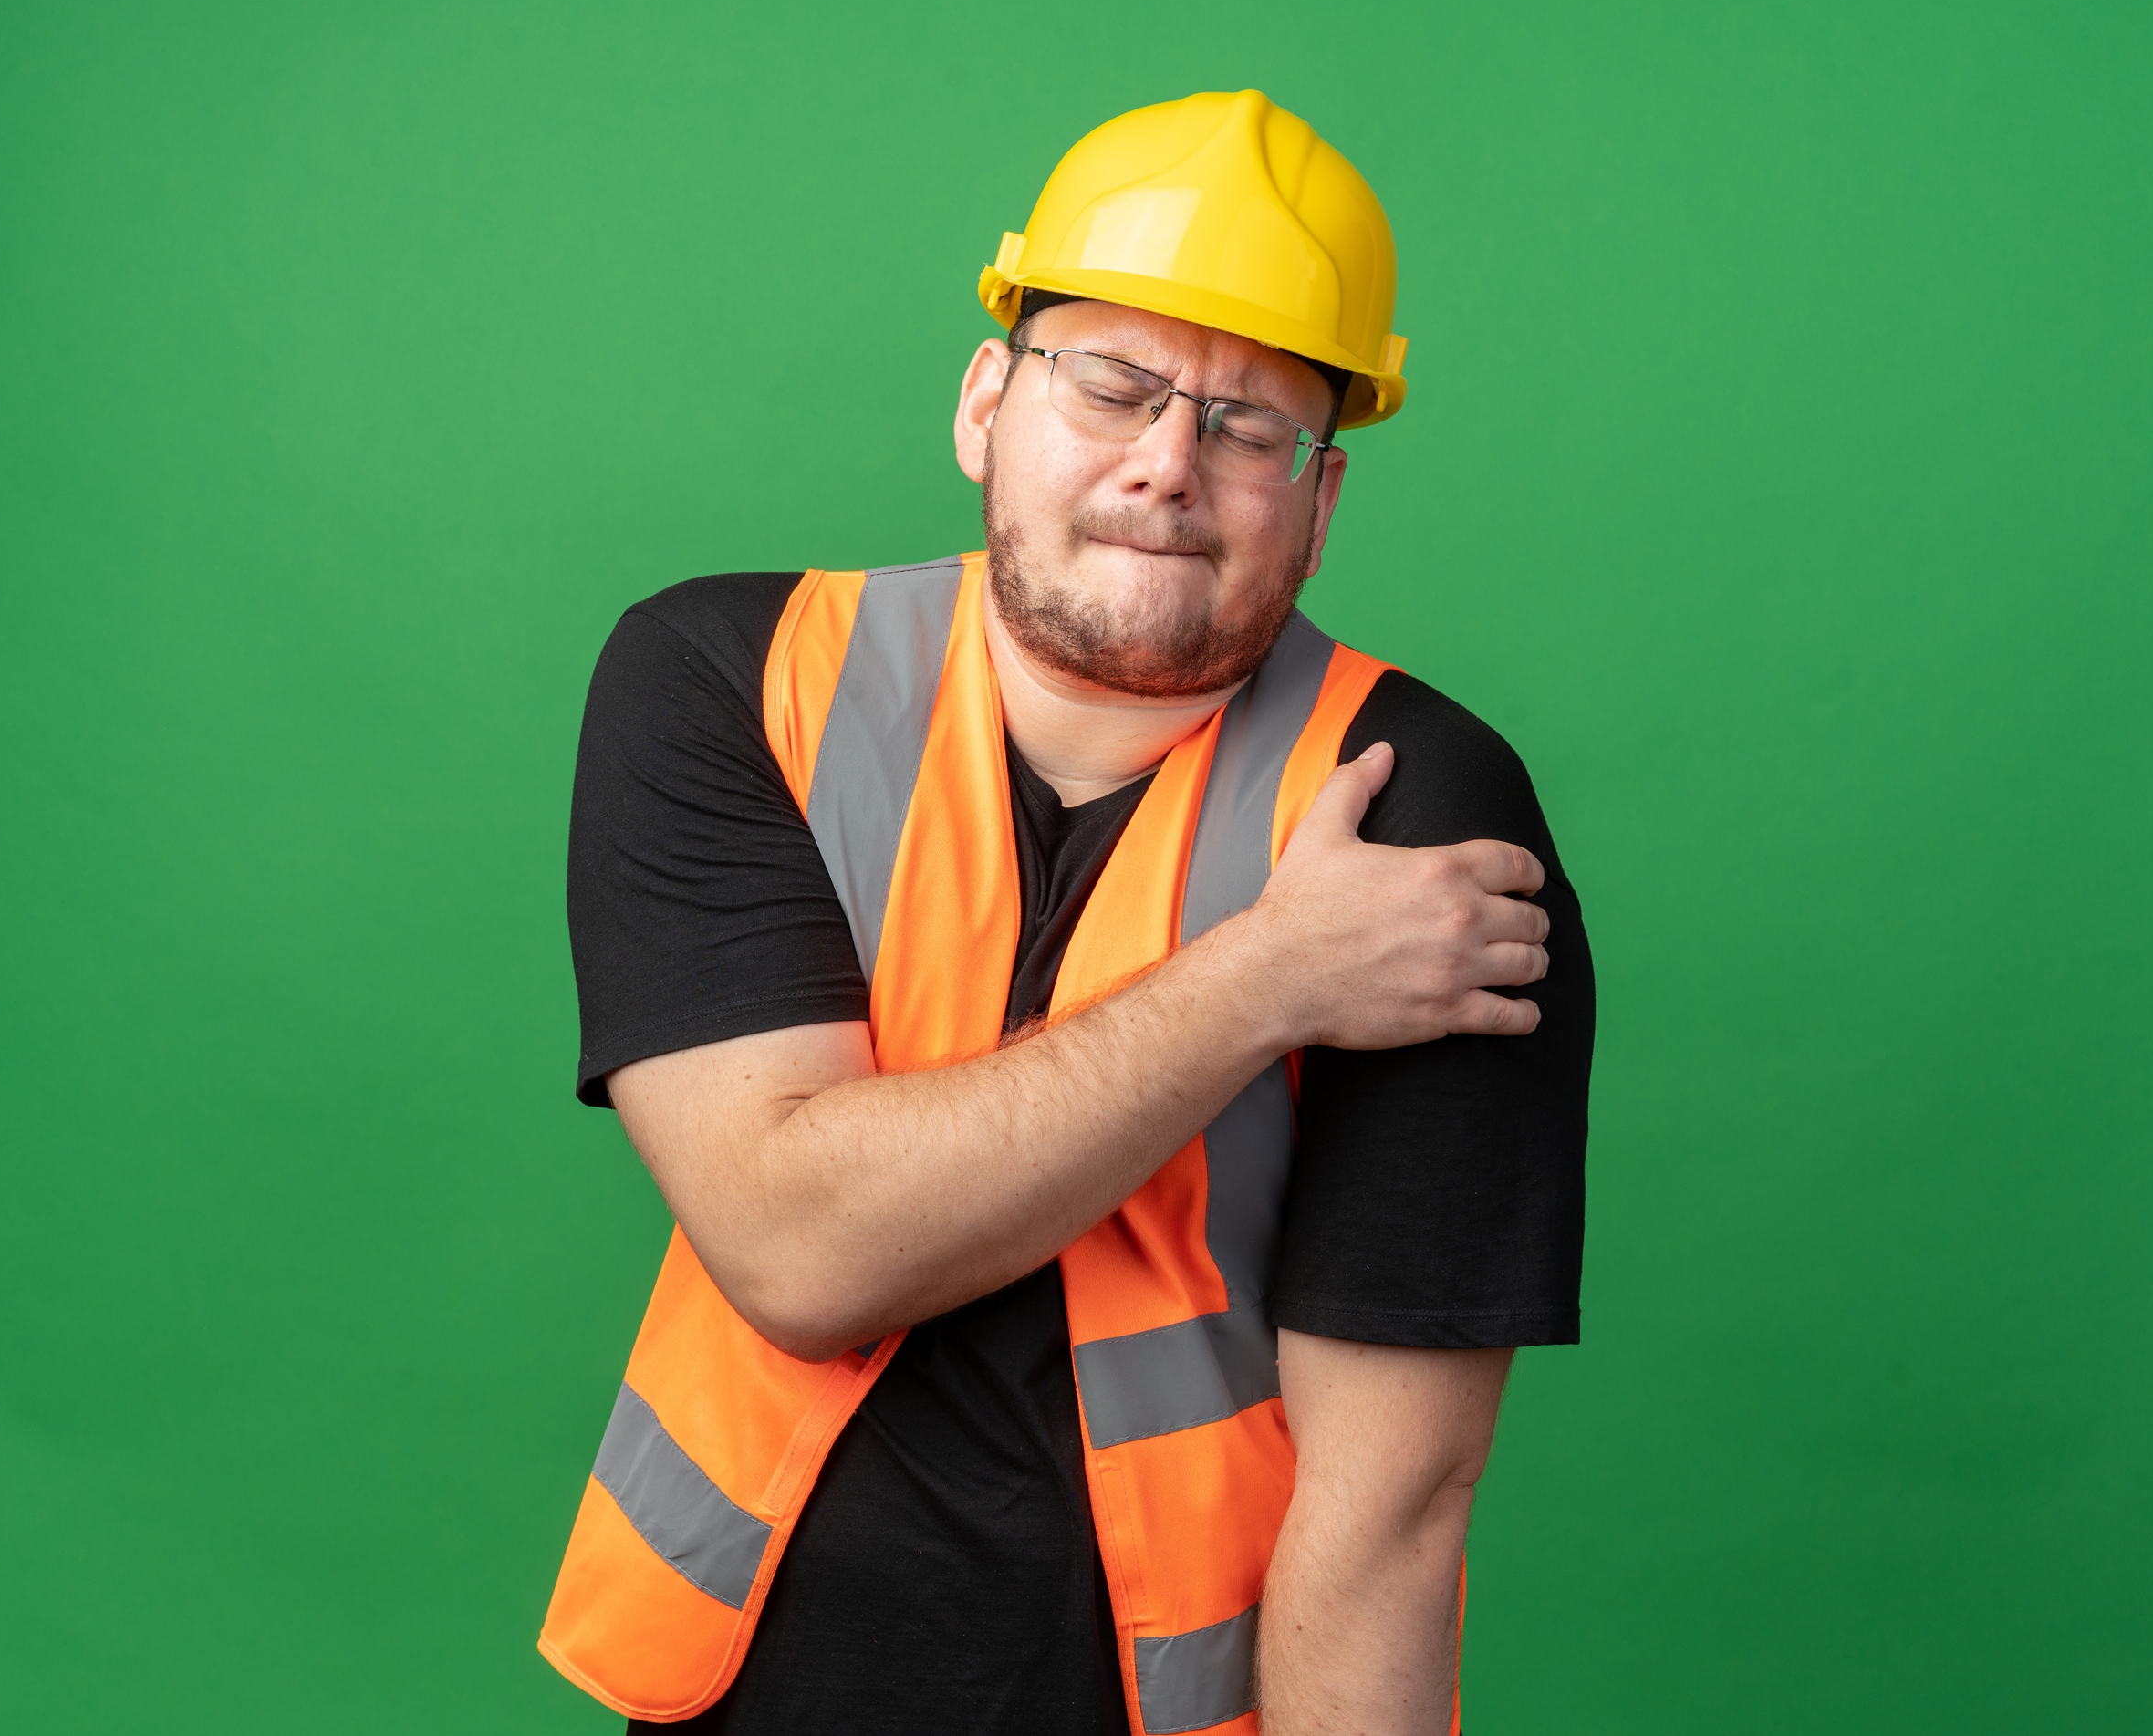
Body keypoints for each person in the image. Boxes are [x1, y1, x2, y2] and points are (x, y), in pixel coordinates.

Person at [542, 89, 1593, 1736]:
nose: (1168, 462)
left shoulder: (1420, 814)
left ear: (1321, 503)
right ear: (984, 403)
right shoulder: (731, 685)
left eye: (1252, 426)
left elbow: (1388, 1517)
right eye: (1112, 381)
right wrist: (1274, 975)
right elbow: (797, 1245)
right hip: (743, 1694)